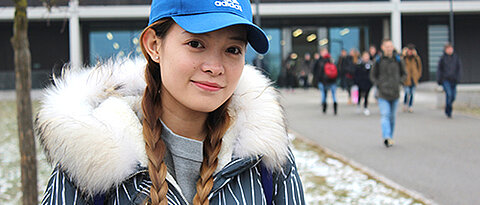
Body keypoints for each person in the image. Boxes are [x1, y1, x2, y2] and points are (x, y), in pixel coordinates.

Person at [36, 0, 305, 204]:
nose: (215, 67)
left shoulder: (265, 157)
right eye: (196, 44)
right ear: (154, 45)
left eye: (233, 50)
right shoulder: (92, 154)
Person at [370, 39, 406, 148]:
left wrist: (399, 82)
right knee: (385, 114)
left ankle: (390, 136)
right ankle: (386, 137)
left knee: (392, 117)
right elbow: (372, 75)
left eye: (390, 46)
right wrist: (378, 84)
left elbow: (404, 74)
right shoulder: (379, 60)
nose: (389, 48)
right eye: (387, 46)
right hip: (383, 93)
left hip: (395, 92)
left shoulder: (398, 60)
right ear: (382, 47)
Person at [437, 43, 461, 118]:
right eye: (448, 49)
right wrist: (439, 80)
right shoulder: (442, 58)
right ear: (445, 50)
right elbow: (439, 70)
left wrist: (458, 77)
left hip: (454, 79)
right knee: (449, 94)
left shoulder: (456, 58)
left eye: (451, 49)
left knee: (453, 96)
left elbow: (459, 68)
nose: (450, 50)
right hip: (445, 80)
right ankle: (449, 111)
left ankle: (448, 106)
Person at [401, 44, 422, 113]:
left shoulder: (416, 58)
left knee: (412, 93)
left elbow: (419, 67)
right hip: (406, 79)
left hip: (413, 78)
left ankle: (410, 106)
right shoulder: (404, 58)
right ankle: (405, 104)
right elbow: (400, 64)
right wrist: (403, 54)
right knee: (407, 92)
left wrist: (418, 75)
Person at [354, 51, 373, 116]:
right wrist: (356, 81)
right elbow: (356, 73)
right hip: (360, 82)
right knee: (359, 94)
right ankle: (358, 105)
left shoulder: (370, 64)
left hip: (367, 82)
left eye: (367, 56)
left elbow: (372, 74)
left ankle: (365, 107)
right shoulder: (359, 64)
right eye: (365, 56)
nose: (366, 57)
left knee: (366, 95)